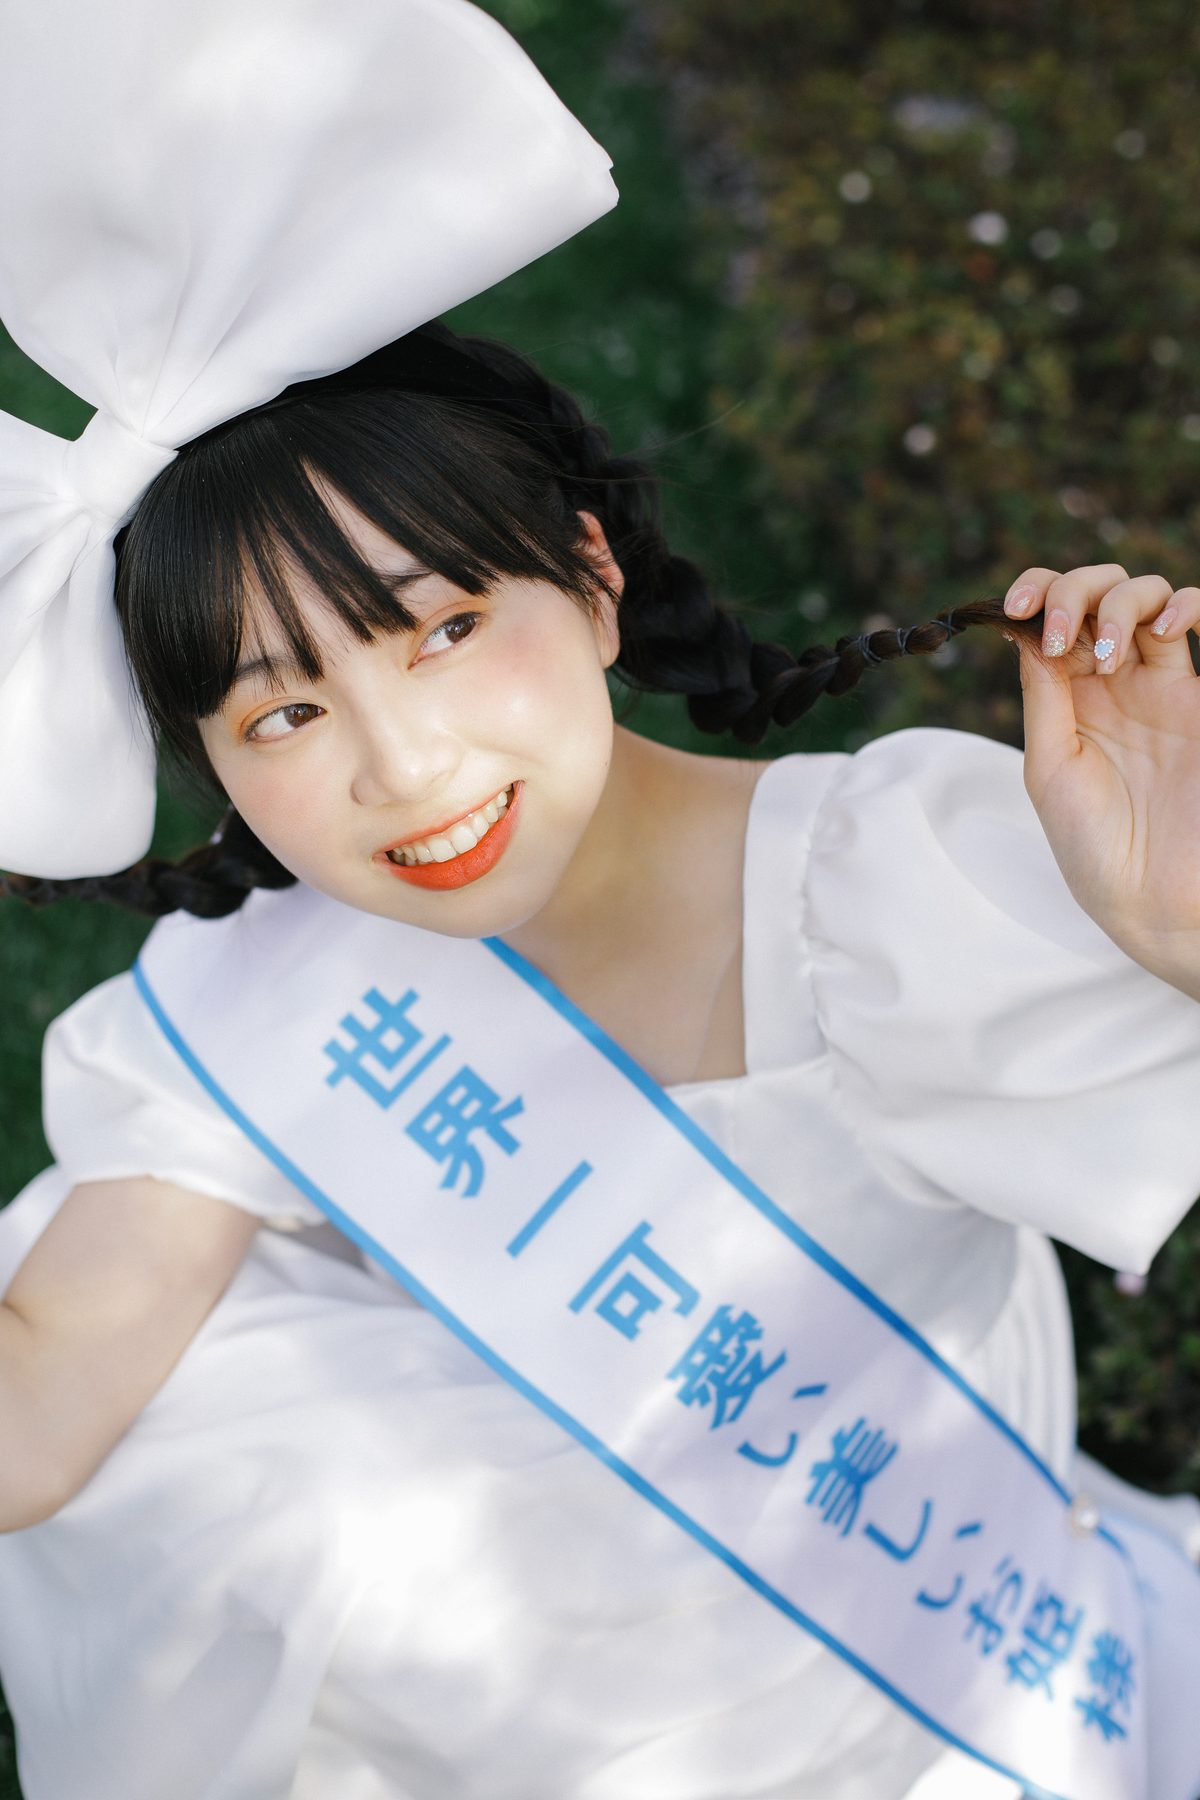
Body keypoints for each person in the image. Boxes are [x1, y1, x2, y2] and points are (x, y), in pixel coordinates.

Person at [1, 5, 1200, 1800]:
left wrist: (1174, 928)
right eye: (284, 714)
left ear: (592, 574)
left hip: (924, 1684)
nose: (405, 767)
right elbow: (43, 1407)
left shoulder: (888, 893)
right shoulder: (267, 1000)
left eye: (444, 631)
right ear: (208, 763)